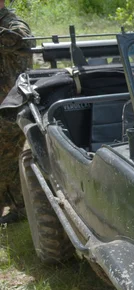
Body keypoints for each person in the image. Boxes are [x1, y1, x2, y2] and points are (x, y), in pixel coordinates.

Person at [0, 0, 34, 223]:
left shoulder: (14, 24)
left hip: (12, 104)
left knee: (7, 158)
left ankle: (19, 208)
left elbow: (22, 40)